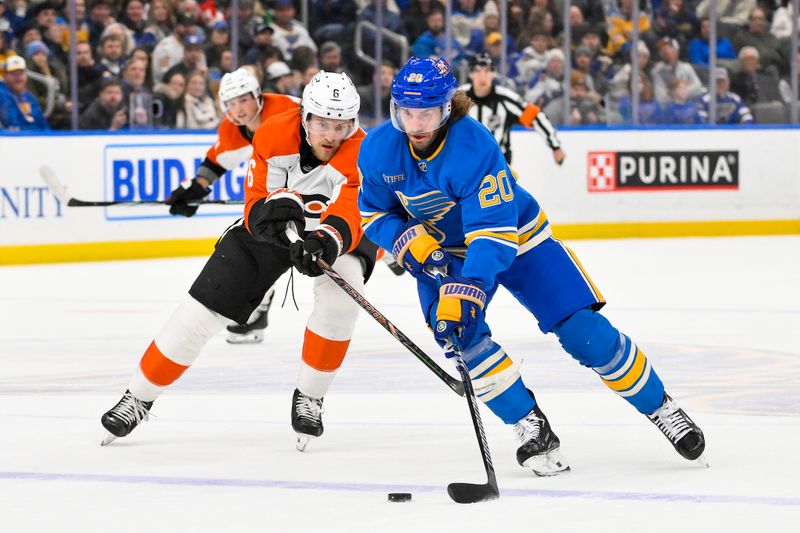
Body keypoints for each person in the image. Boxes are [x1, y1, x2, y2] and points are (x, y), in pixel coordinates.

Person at [357, 56, 706, 476]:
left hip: (516, 234)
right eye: (407, 112)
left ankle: (661, 407)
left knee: (584, 333)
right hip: (446, 253)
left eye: (427, 112)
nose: (416, 124)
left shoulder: (474, 145)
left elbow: (493, 235)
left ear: (447, 107)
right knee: (461, 337)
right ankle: (530, 425)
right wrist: (408, 240)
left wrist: (466, 288)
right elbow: (374, 214)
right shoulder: (378, 149)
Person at [101, 71, 376, 453]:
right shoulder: (272, 134)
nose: (332, 134)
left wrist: (326, 241)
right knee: (203, 308)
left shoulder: (365, 150)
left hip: (339, 235)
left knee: (342, 297)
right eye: (324, 124)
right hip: (278, 229)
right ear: (306, 118)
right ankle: (138, 396)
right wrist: (274, 218)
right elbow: (257, 201)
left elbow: (351, 210)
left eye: (341, 125)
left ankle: (311, 396)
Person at [165, 67, 300, 343]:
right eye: (231, 103)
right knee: (267, 243)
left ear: (258, 96)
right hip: (289, 189)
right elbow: (217, 160)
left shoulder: (285, 112)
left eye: (243, 99)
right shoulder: (233, 129)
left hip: (320, 174)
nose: (238, 109)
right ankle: (259, 310)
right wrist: (196, 188)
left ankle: (382, 250)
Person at [461, 53, 564, 166]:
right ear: (471, 74)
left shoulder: (505, 98)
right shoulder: (458, 98)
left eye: (487, 71)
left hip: (497, 164)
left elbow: (535, 116)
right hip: (466, 162)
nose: (482, 76)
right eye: (477, 71)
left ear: (493, 74)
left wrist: (555, 146)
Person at [0, 55, 48, 130]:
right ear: (5, 75)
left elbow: (43, 126)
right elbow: (11, 125)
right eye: (14, 74)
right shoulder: (1, 94)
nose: (19, 78)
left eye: (21, 73)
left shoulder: (30, 97)